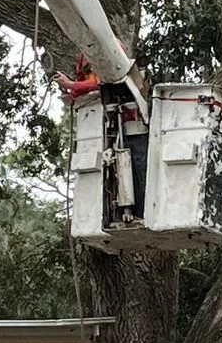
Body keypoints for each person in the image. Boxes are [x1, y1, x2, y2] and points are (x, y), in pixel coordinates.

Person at [53, 52, 150, 220]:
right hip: (106, 123)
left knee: (138, 174)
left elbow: (97, 83)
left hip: (132, 123)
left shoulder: (110, 48)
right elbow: (84, 83)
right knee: (108, 171)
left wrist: (71, 85)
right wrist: (71, 94)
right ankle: (112, 214)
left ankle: (141, 214)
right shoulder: (84, 55)